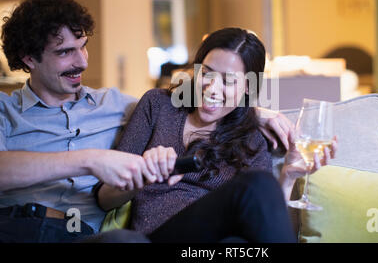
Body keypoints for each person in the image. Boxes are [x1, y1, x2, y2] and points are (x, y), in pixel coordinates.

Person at [0, 0, 297, 243]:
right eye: (65, 52)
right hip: (14, 225)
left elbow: (189, 91)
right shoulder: (4, 109)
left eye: (84, 47)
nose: (81, 61)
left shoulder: (114, 104)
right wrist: (92, 160)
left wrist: (254, 112)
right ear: (29, 58)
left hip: (83, 236)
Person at [95, 28, 336, 243]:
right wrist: (145, 173)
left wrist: (288, 177)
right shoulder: (158, 106)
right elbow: (105, 199)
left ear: (248, 87)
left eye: (228, 81)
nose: (211, 89)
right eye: (206, 73)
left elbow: (264, 220)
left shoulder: (251, 138)